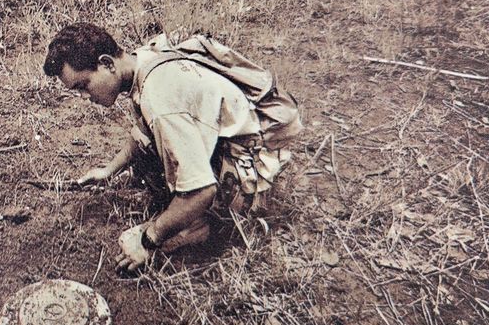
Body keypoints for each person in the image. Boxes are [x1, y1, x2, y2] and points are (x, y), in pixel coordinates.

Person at [43, 23, 301, 272]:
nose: (84, 97)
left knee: (189, 211)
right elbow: (143, 132)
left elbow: (201, 191)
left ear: (107, 63)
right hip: (242, 129)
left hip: (256, 161)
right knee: (148, 157)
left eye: (83, 85)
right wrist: (109, 170)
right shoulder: (142, 59)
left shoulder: (160, 97)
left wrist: (149, 239)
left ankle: (205, 225)